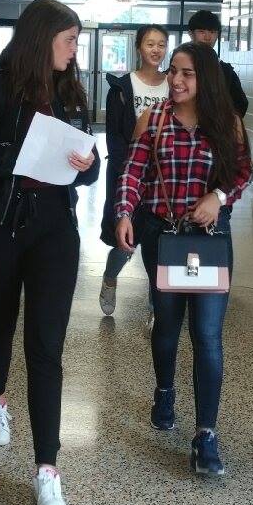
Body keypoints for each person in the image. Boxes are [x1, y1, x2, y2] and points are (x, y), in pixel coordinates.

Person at [0, 0, 100, 505]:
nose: (74, 49)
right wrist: (23, 151)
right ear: (43, 39)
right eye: (69, 40)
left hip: (54, 233)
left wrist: (88, 164)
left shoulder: (72, 91)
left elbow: (89, 166)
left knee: (46, 348)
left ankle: (47, 470)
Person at [114, 42, 252, 477]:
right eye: (173, 71)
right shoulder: (153, 119)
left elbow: (243, 171)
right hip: (164, 237)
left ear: (204, 79)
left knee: (208, 335)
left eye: (186, 74)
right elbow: (133, 170)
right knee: (168, 327)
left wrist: (219, 195)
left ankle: (206, 434)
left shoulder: (227, 123)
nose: (175, 80)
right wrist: (123, 212)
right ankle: (165, 390)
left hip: (210, 239)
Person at [98, 24, 169, 319]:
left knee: (163, 246)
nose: (156, 49)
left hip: (164, 180)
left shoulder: (173, 84)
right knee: (125, 243)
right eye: (150, 43)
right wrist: (127, 172)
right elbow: (114, 137)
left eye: (161, 44)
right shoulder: (122, 88)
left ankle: (157, 308)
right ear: (139, 47)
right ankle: (110, 277)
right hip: (130, 175)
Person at [186, 9, 248, 118]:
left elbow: (241, 103)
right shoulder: (180, 65)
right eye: (201, 31)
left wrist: (222, 122)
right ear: (191, 34)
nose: (207, 37)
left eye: (212, 32)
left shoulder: (225, 70)